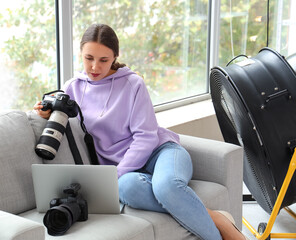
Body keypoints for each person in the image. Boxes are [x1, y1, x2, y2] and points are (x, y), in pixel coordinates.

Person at [34, 23, 247, 240]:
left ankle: (221, 233)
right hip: (129, 171)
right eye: (89, 58)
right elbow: (63, 114)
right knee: (126, 189)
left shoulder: (133, 83)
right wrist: (45, 112)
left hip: (161, 152)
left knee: (166, 187)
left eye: (103, 60)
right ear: (81, 53)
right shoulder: (73, 87)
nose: (95, 67)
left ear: (115, 56)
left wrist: (116, 174)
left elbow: (146, 136)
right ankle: (214, 216)